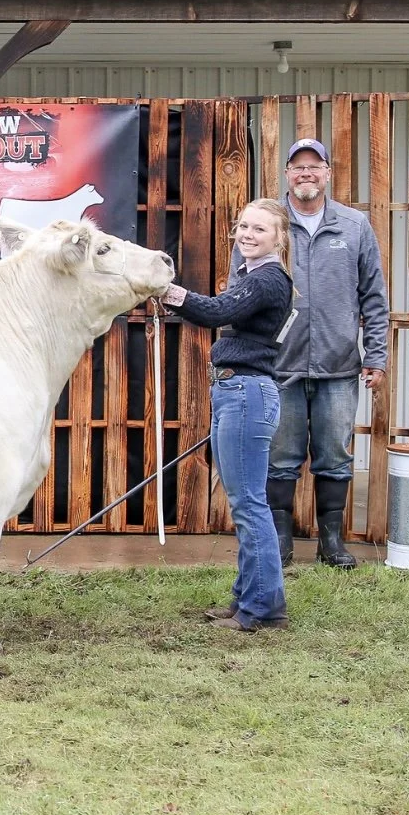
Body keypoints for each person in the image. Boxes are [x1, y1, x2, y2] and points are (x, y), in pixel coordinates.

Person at [238, 139, 389, 570]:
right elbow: (240, 294)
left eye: (314, 166)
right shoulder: (268, 224)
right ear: (287, 174)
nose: (306, 174)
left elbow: (374, 297)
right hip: (278, 366)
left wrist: (375, 356)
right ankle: (282, 543)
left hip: (339, 365)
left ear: (327, 173)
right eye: (297, 167)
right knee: (280, 456)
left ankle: (332, 543)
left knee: (335, 455)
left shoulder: (354, 226)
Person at [162, 198, 293, 631]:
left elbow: (218, 312)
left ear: (279, 238)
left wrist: (166, 290)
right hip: (235, 390)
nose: (248, 235)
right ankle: (247, 601)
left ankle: (263, 610)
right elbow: (221, 309)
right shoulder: (250, 277)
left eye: (260, 229)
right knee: (245, 504)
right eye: (243, 227)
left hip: (247, 393)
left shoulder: (268, 280)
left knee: (250, 504)